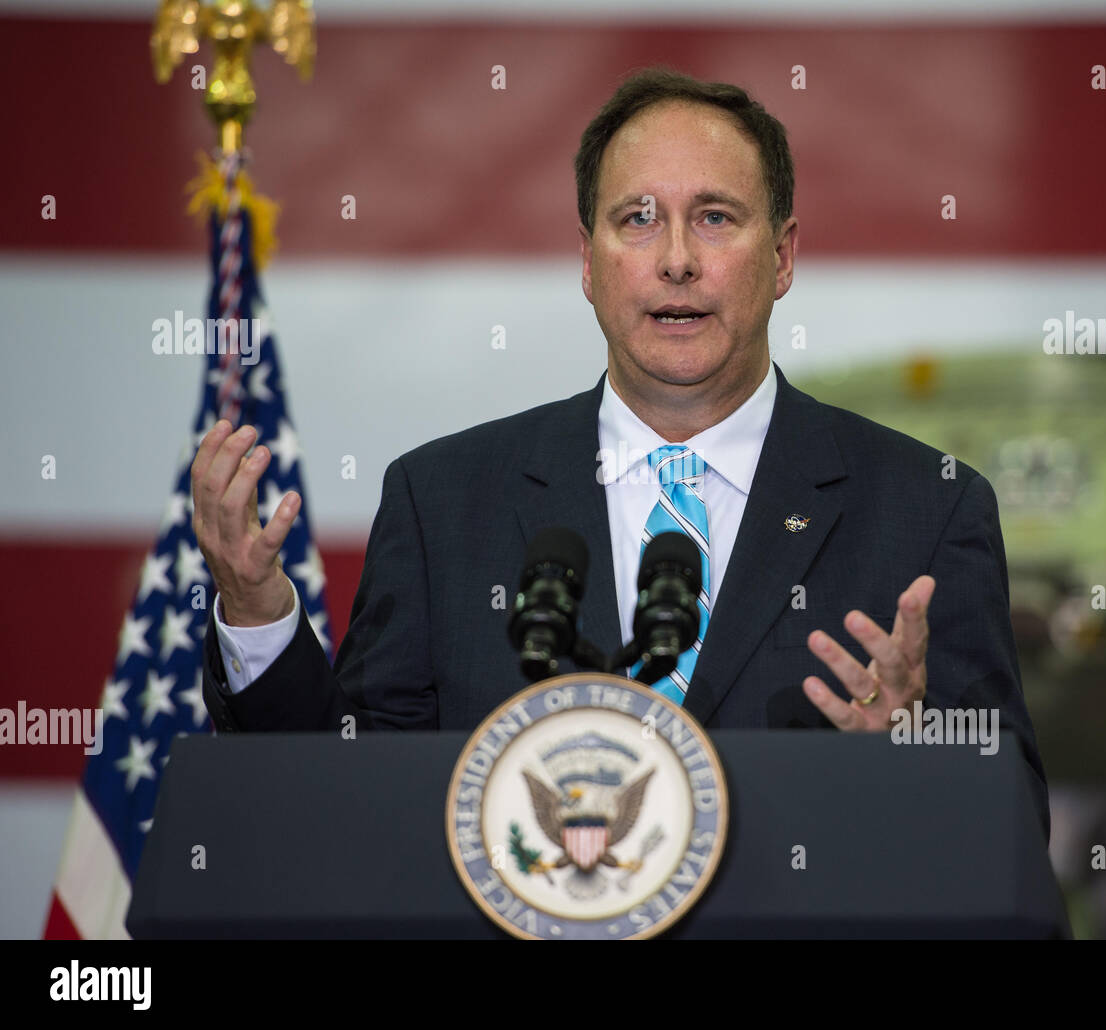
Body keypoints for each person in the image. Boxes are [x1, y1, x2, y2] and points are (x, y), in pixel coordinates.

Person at [193, 67, 1049, 839]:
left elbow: (1015, 826)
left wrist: (920, 761)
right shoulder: (443, 502)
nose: (676, 261)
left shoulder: (927, 508)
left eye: (715, 218)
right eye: (637, 220)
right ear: (588, 263)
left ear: (783, 257)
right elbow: (347, 806)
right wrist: (259, 620)